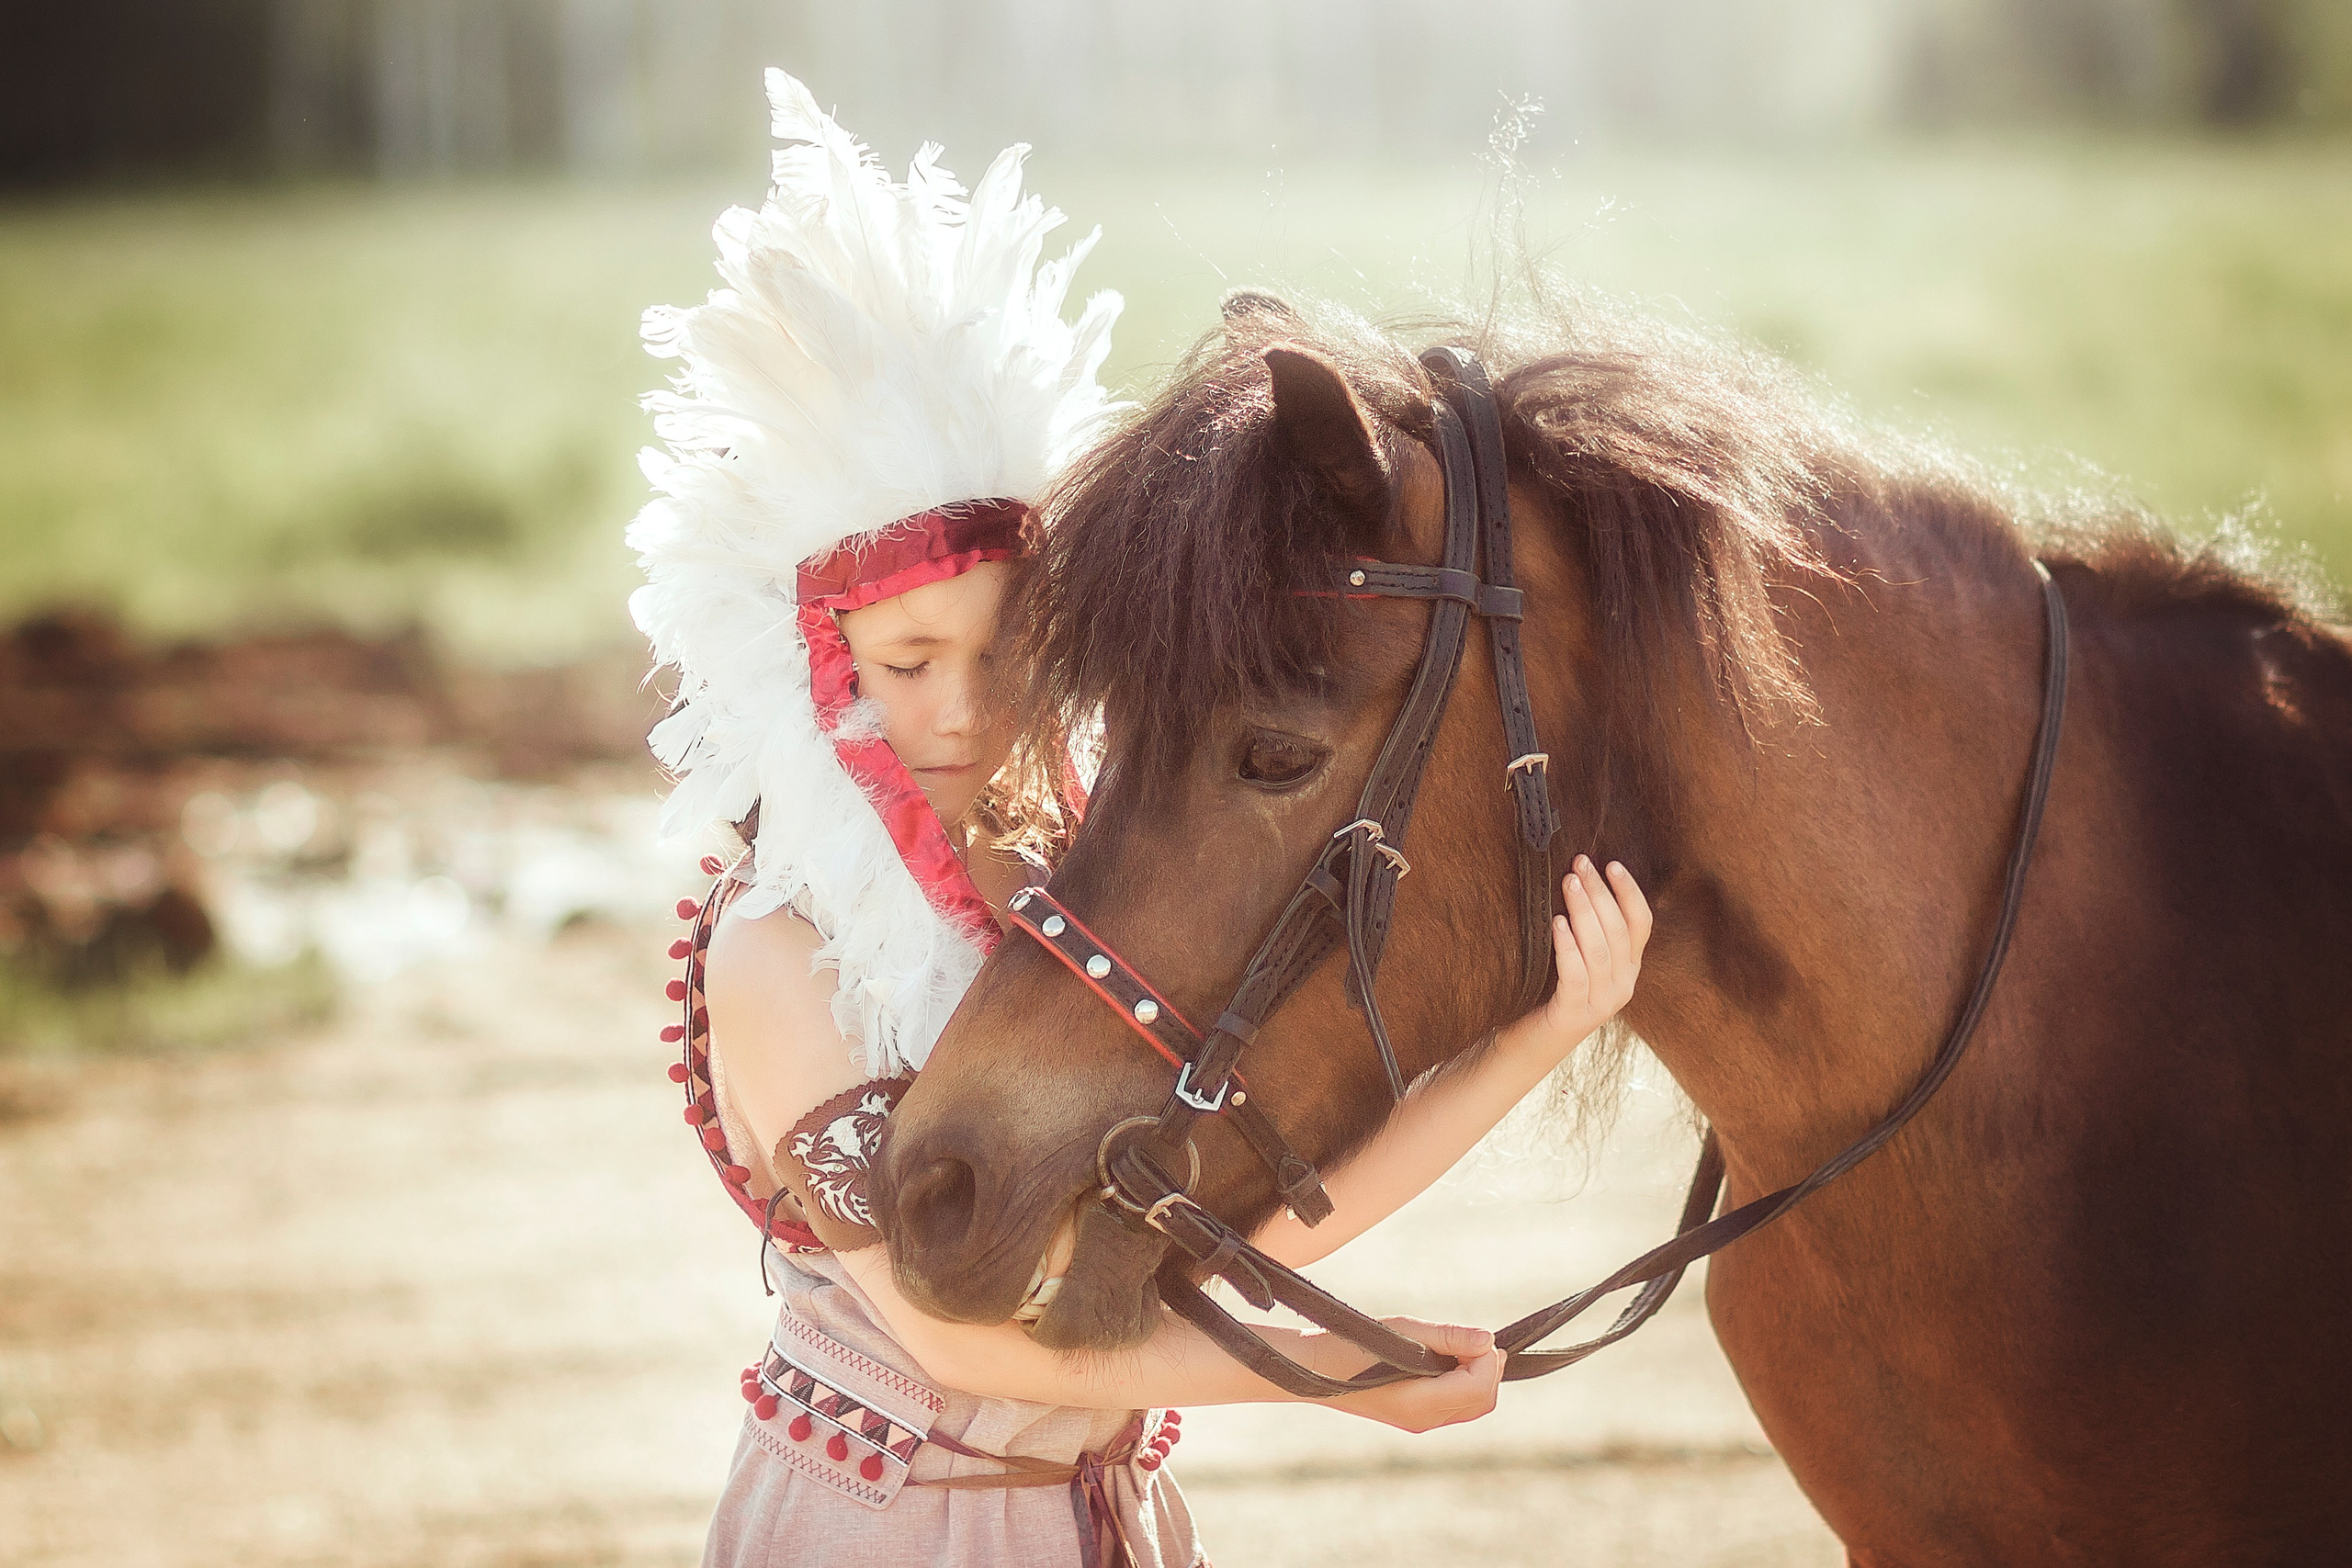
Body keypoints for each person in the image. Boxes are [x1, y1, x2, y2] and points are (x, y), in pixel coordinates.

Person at [630, 73, 1654, 1568]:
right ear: (819, 670)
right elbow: (977, 1342)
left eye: (1008, 652)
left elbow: (1226, 1234)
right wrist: (1334, 1374)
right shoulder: (774, 959)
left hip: (1104, 1524)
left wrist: (1545, 1032)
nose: (969, 711)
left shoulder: (1067, 884)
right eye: (909, 665)